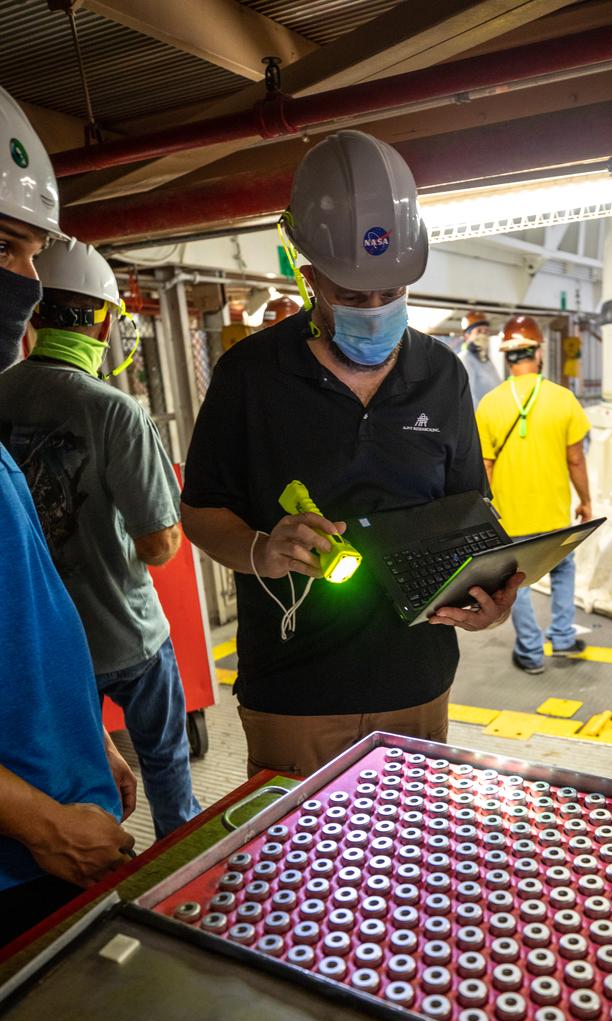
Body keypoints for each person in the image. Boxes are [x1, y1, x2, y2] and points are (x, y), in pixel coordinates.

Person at [181, 130, 522, 779]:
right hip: (295, 689)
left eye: (391, 292)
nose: (375, 310)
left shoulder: (441, 374)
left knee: (410, 864)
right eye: (352, 295)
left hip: (417, 679)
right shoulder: (249, 376)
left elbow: (467, 508)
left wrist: (488, 588)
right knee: (300, 873)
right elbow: (199, 512)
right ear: (307, 276)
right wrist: (261, 550)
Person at [0, 236, 200, 840]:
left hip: (45, 650)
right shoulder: (116, 410)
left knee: (77, 780)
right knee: (165, 764)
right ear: (106, 321)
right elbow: (160, 544)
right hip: (127, 636)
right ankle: (178, 864)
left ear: (36, 313)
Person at [0, 86, 134, 946]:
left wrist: (92, 740)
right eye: (5, 247)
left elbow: (30, 616)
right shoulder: (115, 411)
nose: (25, 285)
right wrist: (38, 820)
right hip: (21, 858)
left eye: (31, 256)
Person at [476, 314, 592, 674]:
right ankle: (561, 637)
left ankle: (530, 652)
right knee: (563, 572)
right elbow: (575, 459)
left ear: (506, 356)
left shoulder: (490, 404)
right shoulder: (563, 399)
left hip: (510, 516)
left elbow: (486, 467)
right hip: (555, 513)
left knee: (518, 584)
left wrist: (485, 512)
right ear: (537, 352)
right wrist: (585, 501)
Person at [458, 311, 501, 406]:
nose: (483, 335)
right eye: (479, 331)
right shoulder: (465, 359)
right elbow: (468, 397)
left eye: (486, 332)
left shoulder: (485, 360)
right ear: (467, 336)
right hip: (480, 418)